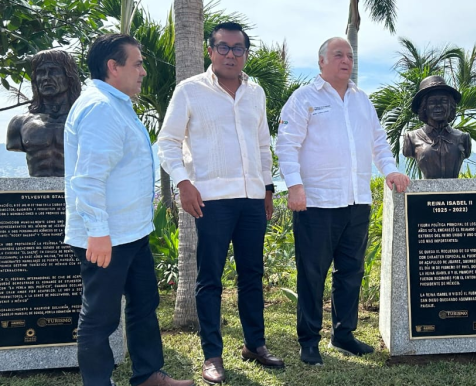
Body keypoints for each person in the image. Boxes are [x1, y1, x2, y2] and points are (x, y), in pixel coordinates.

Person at [64, 34, 193, 386]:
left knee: (144, 304)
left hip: (131, 231)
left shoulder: (116, 103)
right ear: (113, 67)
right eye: (137, 63)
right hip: (107, 235)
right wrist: (98, 232)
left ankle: (149, 376)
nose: (143, 71)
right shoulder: (100, 109)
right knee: (101, 319)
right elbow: (88, 179)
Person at [157, 22, 283, 384]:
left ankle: (254, 345)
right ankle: (212, 355)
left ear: (246, 53)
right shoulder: (190, 91)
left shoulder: (255, 92)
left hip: (252, 199)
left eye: (238, 48)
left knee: (252, 276)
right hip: (211, 200)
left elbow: (262, 145)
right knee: (210, 279)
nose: (231, 54)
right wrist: (184, 183)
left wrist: (268, 189)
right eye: (224, 48)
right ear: (210, 51)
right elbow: (168, 141)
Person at [276, 37, 410, 366]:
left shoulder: (361, 100)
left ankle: (343, 334)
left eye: (349, 55)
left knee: (350, 272)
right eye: (338, 54)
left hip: (357, 200)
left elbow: (379, 142)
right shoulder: (304, 98)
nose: (346, 60)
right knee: (312, 273)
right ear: (321, 61)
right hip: (317, 203)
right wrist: (294, 185)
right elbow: (287, 144)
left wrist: (391, 171)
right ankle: (309, 340)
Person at [7, 49, 81, 176]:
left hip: (75, 191)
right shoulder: (19, 123)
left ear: (69, 77)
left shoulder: (84, 121)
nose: (46, 77)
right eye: (41, 72)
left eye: (53, 71)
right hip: (34, 193)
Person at [402, 75, 471, 179]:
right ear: (424, 108)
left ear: (450, 106)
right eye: (432, 102)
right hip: (427, 193)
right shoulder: (411, 138)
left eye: (443, 101)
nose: (438, 106)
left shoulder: (463, 138)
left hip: (457, 193)